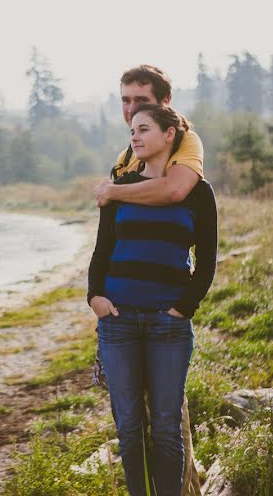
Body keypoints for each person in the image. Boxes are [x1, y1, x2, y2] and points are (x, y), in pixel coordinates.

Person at [88, 104, 217, 496]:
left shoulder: (197, 193)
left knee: (165, 427)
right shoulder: (121, 185)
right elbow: (101, 251)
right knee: (128, 428)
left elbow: (208, 260)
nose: (135, 137)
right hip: (119, 322)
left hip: (168, 325)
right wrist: (95, 297)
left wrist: (182, 308)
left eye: (144, 129)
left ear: (169, 135)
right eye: (132, 131)